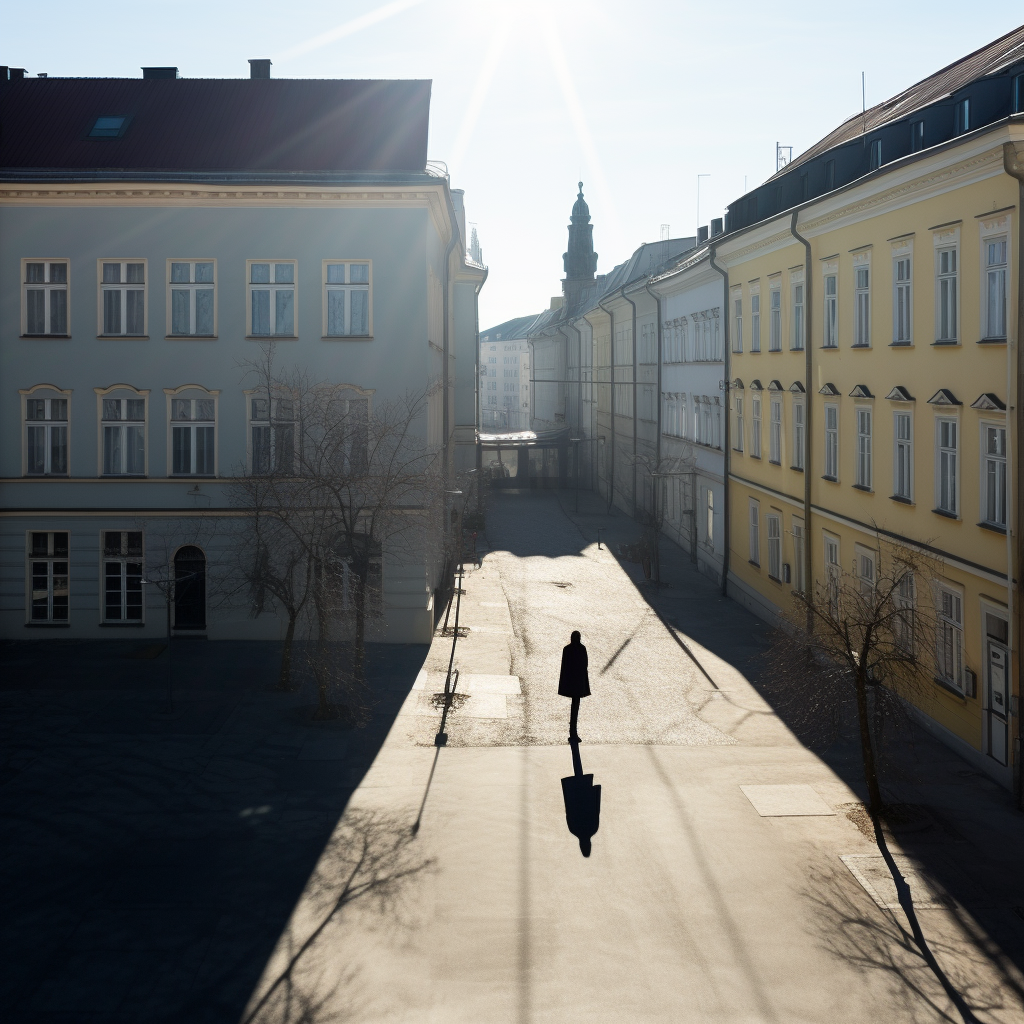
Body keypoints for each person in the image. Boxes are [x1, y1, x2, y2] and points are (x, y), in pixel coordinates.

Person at [558, 630, 590, 742]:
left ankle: (572, 731)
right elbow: (585, 665)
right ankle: (573, 731)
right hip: (578, 683)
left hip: (570, 682)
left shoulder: (567, 649)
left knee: (574, 705)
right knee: (576, 705)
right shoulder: (582, 649)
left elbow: (564, 666)